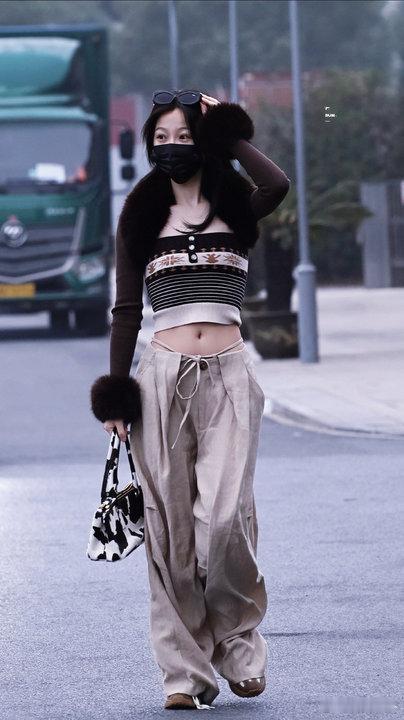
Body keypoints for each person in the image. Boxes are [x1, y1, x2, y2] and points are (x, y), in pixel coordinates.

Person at [91, 89, 290, 710]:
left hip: (230, 375)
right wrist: (117, 395)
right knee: (171, 530)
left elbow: (277, 184)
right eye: (162, 137)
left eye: (184, 135)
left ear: (202, 141)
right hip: (159, 378)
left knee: (224, 520)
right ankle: (184, 675)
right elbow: (126, 310)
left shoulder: (237, 204)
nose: (171, 147)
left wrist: (228, 129)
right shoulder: (140, 214)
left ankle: (237, 645)